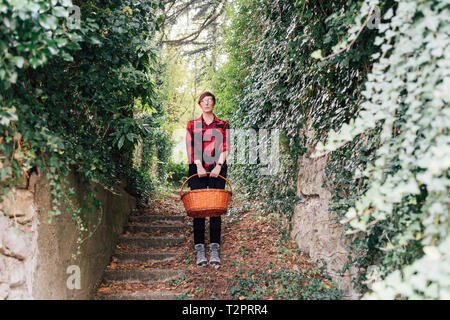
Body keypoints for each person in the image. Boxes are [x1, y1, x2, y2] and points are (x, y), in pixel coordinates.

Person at [185, 91, 230, 267]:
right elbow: (191, 146)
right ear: (200, 104)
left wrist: (219, 165)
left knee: (216, 208)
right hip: (197, 168)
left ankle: (214, 248)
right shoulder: (192, 124)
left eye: (210, 100)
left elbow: (226, 145)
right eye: (203, 100)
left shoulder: (223, 124)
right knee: (198, 208)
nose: (207, 103)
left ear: (213, 103)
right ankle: (199, 248)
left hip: (218, 167)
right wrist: (198, 165)